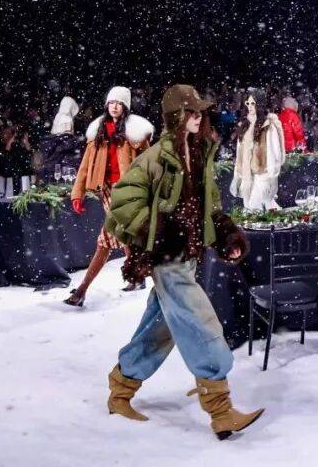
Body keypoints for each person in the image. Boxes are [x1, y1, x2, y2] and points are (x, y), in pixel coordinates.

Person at [104, 84, 263, 440]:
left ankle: (121, 389)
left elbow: (211, 206)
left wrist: (225, 234)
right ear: (176, 117)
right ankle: (220, 410)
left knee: (158, 329)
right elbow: (123, 201)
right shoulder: (156, 158)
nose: (198, 117)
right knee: (200, 324)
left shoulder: (199, 153)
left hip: (187, 258)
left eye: (200, 112)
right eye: (191, 112)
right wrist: (158, 231)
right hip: (167, 261)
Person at [65, 87, 154, 307]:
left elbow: (150, 165)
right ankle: (137, 275)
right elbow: (85, 165)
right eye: (111, 102)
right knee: (123, 235)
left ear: (125, 106)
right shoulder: (98, 130)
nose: (114, 106)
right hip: (105, 190)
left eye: (119, 103)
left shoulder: (135, 133)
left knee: (106, 240)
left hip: (128, 190)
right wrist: (77, 193)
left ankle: (82, 290)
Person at [230, 88, 285, 211]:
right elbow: (240, 151)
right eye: (247, 103)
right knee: (251, 208)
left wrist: (270, 173)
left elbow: (275, 152)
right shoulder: (244, 125)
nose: (249, 106)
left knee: (255, 207)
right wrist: (238, 171)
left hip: (262, 174)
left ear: (259, 104)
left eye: (253, 103)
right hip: (247, 175)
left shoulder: (268, 126)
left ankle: (272, 214)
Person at [37, 96, 84, 185]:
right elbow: (67, 136)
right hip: (64, 159)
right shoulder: (67, 118)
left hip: (54, 158)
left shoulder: (58, 116)